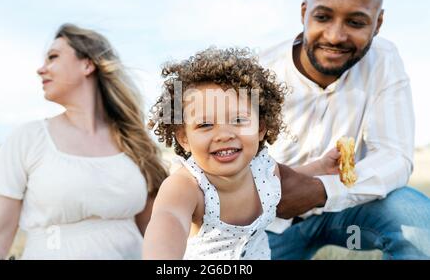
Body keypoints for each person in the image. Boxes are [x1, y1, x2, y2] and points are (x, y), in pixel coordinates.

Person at [261, 0, 430, 259]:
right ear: (304, 13)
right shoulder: (263, 71)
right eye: (323, 17)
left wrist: (321, 190)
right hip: (272, 222)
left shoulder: (385, 61)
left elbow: (394, 156)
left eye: (355, 22)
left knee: (417, 221)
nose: (335, 36)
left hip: (349, 210)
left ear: (377, 25)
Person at [0, 23, 168, 259]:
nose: (41, 69)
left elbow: (155, 235)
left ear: (88, 64)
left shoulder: (133, 142)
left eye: (53, 57)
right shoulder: (28, 139)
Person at [142, 47, 340, 259]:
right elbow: (168, 220)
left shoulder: (264, 168)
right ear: (184, 138)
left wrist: (321, 167)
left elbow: (287, 178)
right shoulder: (186, 185)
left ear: (260, 128)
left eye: (238, 120)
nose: (224, 134)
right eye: (206, 124)